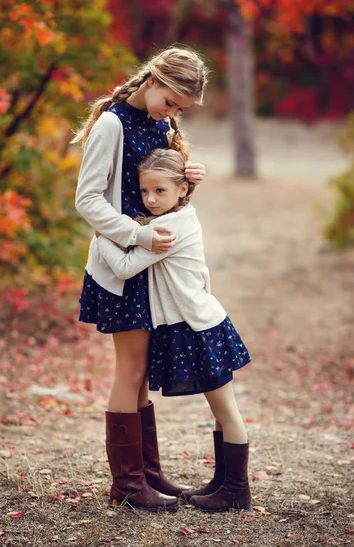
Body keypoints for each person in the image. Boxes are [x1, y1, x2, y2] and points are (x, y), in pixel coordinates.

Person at [74, 46, 208, 512]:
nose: (173, 114)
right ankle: (128, 486)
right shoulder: (112, 124)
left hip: (149, 265)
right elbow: (88, 199)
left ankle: (147, 474)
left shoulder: (161, 124)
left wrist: (189, 175)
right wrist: (138, 236)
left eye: (180, 109)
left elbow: (160, 187)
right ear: (152, 79)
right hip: (122, 262)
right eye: (171, 102)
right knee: (129, 370)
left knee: (142, 371)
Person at [95, 148, 252, 513]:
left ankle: (236, 490)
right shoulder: (182, 214)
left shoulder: (168, 227)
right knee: (220, 411)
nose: (150, 199)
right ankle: (222, 482)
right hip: (200, 324)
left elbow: (123, 266)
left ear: (183, 189)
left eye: (160, 191)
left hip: (199, 329)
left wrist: (102, 233)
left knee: (226, 410)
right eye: (145, 191)